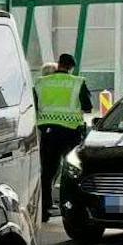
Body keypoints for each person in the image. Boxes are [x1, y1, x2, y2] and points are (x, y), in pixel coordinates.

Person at [36, 52, 93, 222]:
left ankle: (44, 209)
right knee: (73, 171)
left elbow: (35, 105)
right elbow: (88, 107)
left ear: (58, 64)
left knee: (47, 171)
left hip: (48, 132)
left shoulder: (41, 82)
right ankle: (72, 207)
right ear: (71, 67)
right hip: (71, 132)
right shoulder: (77, 82)